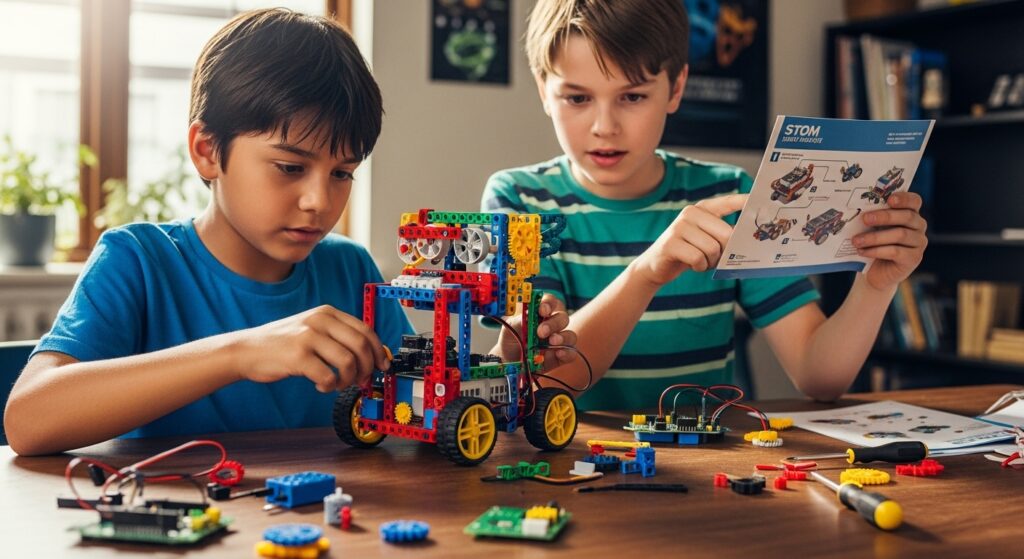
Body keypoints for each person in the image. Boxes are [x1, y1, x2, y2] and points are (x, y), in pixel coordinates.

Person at [5, 8, 573, 456]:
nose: (318, 201)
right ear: (208, 150)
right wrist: (241, 352)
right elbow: (29, 419)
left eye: (342, 173)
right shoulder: (138, 261)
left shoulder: (348, 270)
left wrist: (501, 358)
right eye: (289, 166)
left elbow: (411, 415)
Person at [482, 0, 928, 411]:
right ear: (544, 90)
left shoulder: (727, 193)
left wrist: (875, 286)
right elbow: (550, 380)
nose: (604, 126)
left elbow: (819, 376)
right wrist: (647, 272)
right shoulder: (517, 202)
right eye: (577, 98)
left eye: (633, 96)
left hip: (706, 470)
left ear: (676, 88)